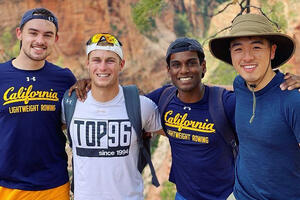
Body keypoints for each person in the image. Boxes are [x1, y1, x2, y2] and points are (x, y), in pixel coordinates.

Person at [209, 13, 300, 200]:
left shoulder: (292, 101)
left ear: (272, 51)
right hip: (239, 194)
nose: (247, 57)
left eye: (257, 47)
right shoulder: (239, 85)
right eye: (238, 49)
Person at [62, 33, 163, 200]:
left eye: (110, 60)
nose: (102, 67)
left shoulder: (141, 105)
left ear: (121, 64)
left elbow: (179, 135)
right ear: (88, 63)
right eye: (96, 60)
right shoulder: (70, 104)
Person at [0, 8, 76, 200]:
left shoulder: (64, 78)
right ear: (19, 34)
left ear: (55, 39)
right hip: (6, 186)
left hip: (53, 185)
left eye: (48, 35)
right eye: (33, 33)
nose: (40, 40)